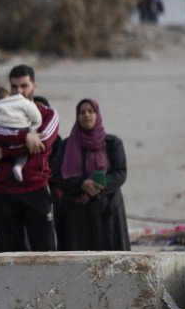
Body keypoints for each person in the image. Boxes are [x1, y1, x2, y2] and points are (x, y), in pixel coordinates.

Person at [0, 65, 60, 252]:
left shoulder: (48, 114)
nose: (19, 92)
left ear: (34, 86)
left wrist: (3, 151)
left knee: (46, 254)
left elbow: (43, 143)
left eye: (24, 86)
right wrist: (25, 138)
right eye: (14, 87)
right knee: (8, 257)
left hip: (35, 189)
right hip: (1, 191)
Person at [51, 99, 130, 251]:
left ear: (97, 114)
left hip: (107, 214)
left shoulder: (113, 144)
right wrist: (81, 185)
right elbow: (58, 176)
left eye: (90, 111)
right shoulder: (66, 146)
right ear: (77, 116)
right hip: (76, 214)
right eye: (82, 112)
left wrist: (94, 187)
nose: (86, 115)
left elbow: (120, 174)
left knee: (110, 263)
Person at [0, 85, 42, 182]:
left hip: (1, 131)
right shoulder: (21, 101)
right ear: (9, 94)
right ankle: (18, 166)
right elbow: (36, 115)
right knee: (22, 154)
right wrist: (33, 130)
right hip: (21, 129)